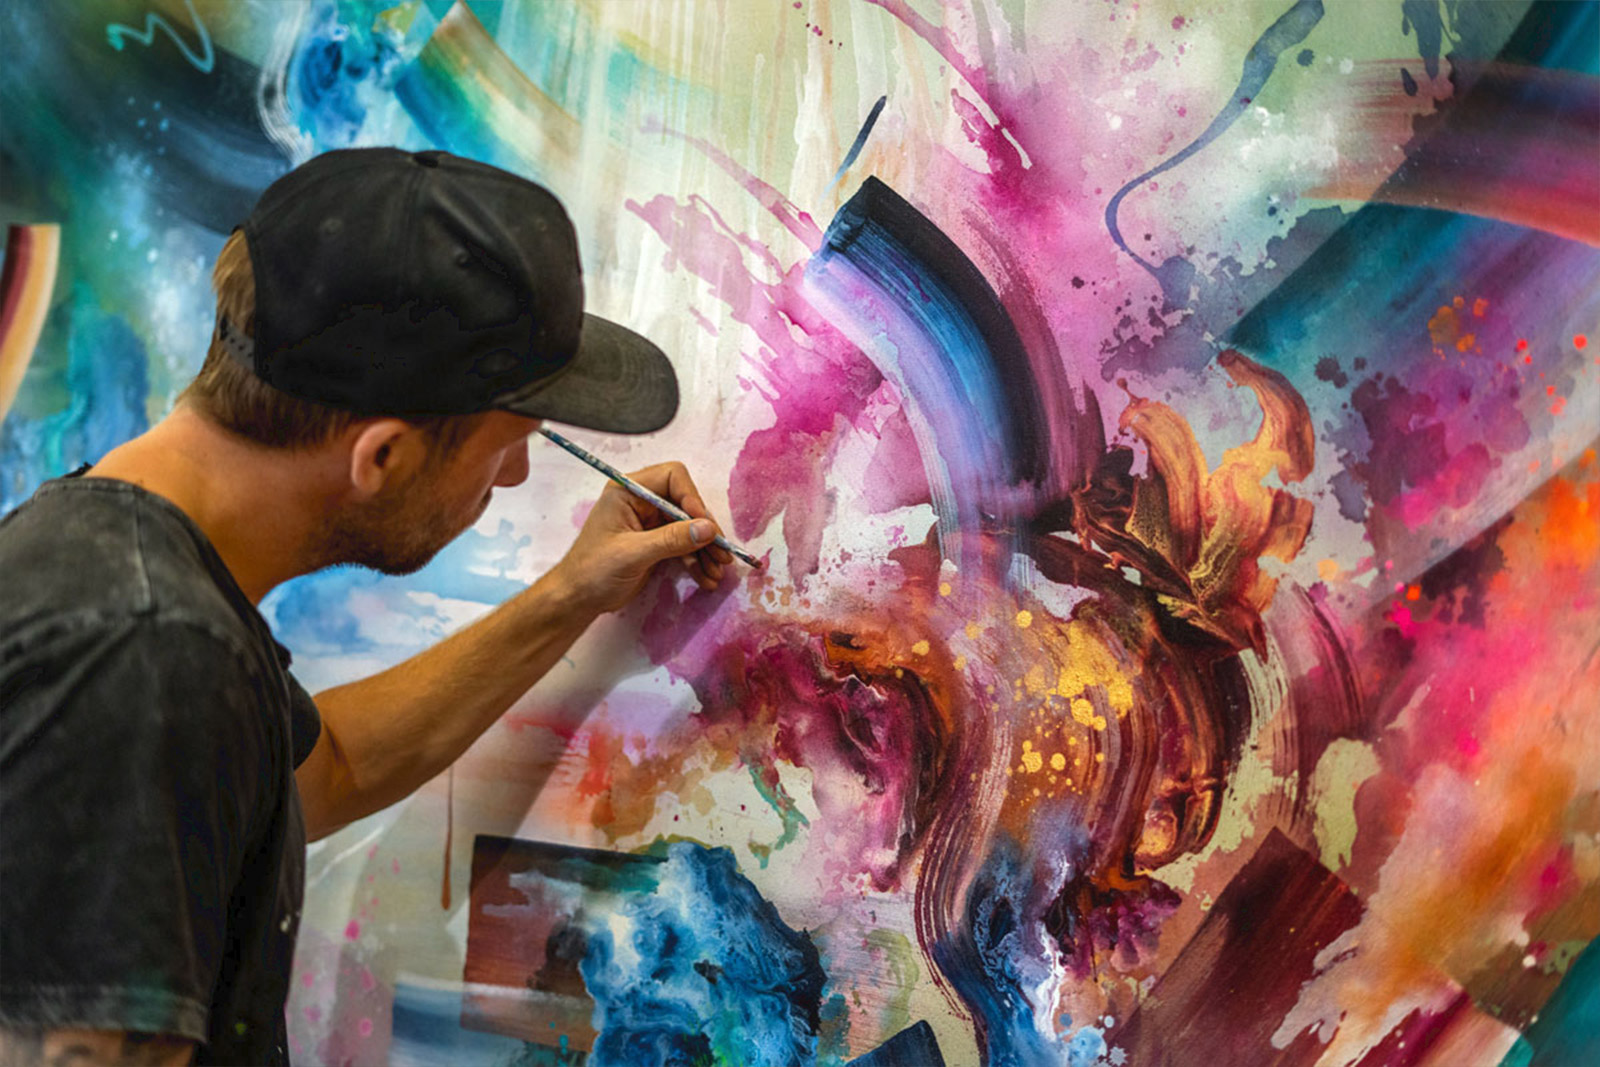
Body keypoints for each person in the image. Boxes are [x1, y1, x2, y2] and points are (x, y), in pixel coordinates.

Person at [0, 147, 734, 1066]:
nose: (515, 476)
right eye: (509, 445)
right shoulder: (148, 654)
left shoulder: (111, 562)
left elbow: (322, 774)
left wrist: (569, 593)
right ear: (382, 456)